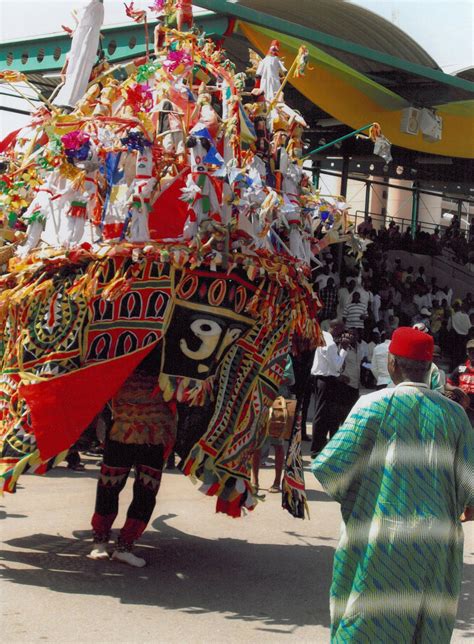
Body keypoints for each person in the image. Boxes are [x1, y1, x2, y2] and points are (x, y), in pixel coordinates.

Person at [312, 327, 474, 643]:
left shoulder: (370, 406)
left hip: (379, 536)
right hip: (435, 541)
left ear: (392, 365)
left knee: (366, 621)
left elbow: (331, 470)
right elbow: (469, 488)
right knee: (424, 623)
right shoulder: (455, 416)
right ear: (430, 369)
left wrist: (367, 493)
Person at [90, 348, 176, 567]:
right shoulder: (120, 355)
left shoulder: (170, 360)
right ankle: (100, 541)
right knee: (109, 487)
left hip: (155, 435)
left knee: (146, 493)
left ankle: (125, 546)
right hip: (121, 432)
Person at [310, 319, 348, 457]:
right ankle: (316, 449)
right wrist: (344, 349)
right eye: (342, 330)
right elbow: (336, 366)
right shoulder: (331, 344)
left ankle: (318, 446)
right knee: (322, 415)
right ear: (337, 328)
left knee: (323, 414)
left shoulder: (324, 336)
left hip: (321, 380)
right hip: (327, 380)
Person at [447, 338, 474, 425]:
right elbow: (447, 384)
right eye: (471, 351)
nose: (473, 354)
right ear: (467, 353)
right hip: (462, 407)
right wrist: (455, 389)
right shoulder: (460, 368)